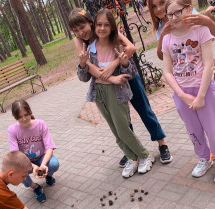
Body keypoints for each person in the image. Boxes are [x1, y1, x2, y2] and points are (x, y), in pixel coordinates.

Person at [68, 7, 173, 168]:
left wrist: (112, 66)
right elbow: (88, 67)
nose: (80, 33)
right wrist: (111, 78)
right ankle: (132, 150)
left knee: (144, 109)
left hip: (127, 75)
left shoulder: (104, 29)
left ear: (91, 22)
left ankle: (162, 143)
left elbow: (131, 48)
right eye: (76, 30)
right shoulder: (79, 42)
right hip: (110, 83)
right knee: (122, 119)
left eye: (82, 28)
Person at [148, 0, 215, 166]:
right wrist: (164, 35)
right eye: (153, 6)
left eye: (161, 3)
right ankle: (208, 152)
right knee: (196, 121)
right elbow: (162, 56)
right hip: (185, 77)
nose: (158, 9)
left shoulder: (184, 9)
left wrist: (206, 21)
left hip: (208, 67)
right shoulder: (161, 28)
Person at [161, 0, 215, 183]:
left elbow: (209, 64)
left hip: (204, 89)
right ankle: (204, 158)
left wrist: (201, 95)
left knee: (212, 127)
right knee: (193, 130)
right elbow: (167, 72)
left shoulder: (201, 31)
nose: (174, 17)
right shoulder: (168, 39)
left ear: (188, 8)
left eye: (178, 12)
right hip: (182, 93)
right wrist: (182, 95)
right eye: (170, 14)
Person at [7, 99, 58, 203]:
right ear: (15, 117)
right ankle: (35, 187)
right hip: (24, 161)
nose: (24, 119)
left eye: (26, 114)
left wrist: (43, 165)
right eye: (20, 117)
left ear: (30, 112)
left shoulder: (41, 124)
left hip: (41, 157)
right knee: (16, 172)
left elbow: (49, 147)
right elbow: (16, 155)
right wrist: (33, 167)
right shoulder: (12, 130)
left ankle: (48, 175)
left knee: (54, 164)